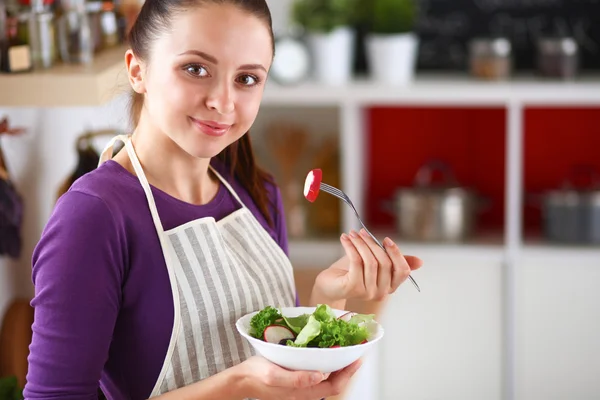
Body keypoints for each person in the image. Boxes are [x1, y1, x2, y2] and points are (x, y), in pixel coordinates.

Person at [23, 0, 423, 399]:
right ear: (137, 70)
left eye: (247, 79)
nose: (224, 102)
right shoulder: (94, 216)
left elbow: (292, 379)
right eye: (196, 69)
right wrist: (237, 384)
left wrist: (332, 302)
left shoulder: (256, 192)